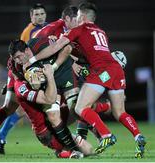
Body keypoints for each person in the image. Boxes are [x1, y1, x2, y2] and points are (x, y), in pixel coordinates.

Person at [31, 2, 146, 158]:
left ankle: (106, 135)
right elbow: (90, 52)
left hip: (101, 71)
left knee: (80, 108)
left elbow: (55, 47)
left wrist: (32, 59)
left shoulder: (79, 29)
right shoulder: (101, 31)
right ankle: (138, 136)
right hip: (116, 70)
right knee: (120, 112)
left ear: (82, 17)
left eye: (78, 16)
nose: (77, 20)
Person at [0, 40, 93, 159]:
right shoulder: (21, 83)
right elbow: (48, 98)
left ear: (27, 50)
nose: (18, 60)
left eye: (19, 57)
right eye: (16, 58)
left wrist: (69, 63)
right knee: (10, 106)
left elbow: (64, 48)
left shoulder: (40, 45)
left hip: (46, 117)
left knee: (77, 116)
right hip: (44, 129)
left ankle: (66, 146)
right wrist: (48, 76)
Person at [0, 3, 48, 154]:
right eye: (36, 14)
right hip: (27, 74)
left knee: (25, 109)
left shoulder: (49, 28)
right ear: (31, 17)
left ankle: (1, 135)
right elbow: (17, 56)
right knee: (20, 107)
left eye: (42, 13)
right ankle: (1, 135)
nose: (40, 17)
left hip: (40, 72)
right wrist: (13, 80)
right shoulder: (28, 32)